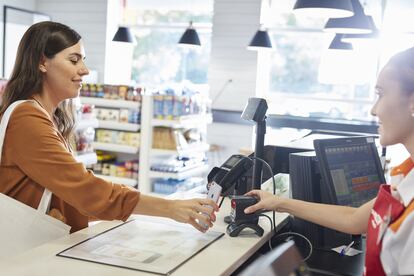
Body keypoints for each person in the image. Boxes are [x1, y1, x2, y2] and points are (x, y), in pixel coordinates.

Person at [0, 21, 218, 235]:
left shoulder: (50, 117)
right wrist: (168, 208)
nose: (84, 70)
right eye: (74, 60)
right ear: (42, 62)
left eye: (83, 60)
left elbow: (72, 194)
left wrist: (141, 207)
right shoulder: (27, 119)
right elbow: (83, 188)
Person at [245, 47, 414, 276]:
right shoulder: (407, 176)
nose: (374, 110)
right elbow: (354, 219)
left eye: (381, 93)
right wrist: (277, 202)